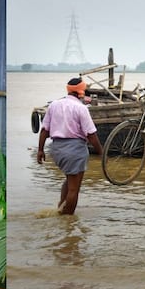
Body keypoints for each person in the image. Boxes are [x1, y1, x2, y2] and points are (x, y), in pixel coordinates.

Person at [37, 77, 103, 215]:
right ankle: (67, 219)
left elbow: (44, 130)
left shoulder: (54, 105)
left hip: (57, 150)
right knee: (74, 189)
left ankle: (61, 207)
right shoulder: (81, 108)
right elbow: (91, 134)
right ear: (80, 92)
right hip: (75, 150)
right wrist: (101, 152)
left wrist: (40, 150)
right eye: (84, 90)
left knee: (69, 180)